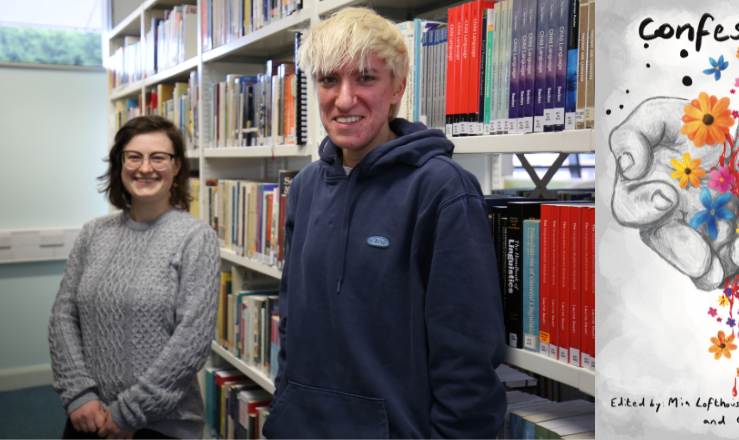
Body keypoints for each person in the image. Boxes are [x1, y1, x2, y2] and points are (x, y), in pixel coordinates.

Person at [262, 8, 507, 439]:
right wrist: (283, 410)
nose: (344, 99)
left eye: (366, 78)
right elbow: (294, 323)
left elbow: (466, 356)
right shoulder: (303, 187)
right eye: (328, 80)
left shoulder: (443, 190)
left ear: (398, 86)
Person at [48, 116, 220, 439]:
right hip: (88, 416)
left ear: (177, 166)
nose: (145, 168)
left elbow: (192, 341)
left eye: (159, 157)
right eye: (134, 157)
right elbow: (62, 316)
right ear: (120, 163)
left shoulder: (196, 238)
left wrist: (129, 412)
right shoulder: (93, 234)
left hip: (161, 425)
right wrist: (78, 394)